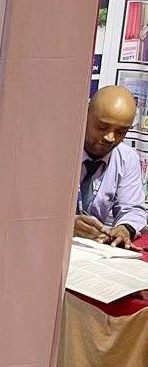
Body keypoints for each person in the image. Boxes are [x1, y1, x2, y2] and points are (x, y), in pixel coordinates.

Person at [75, 85, 148, 248]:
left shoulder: (127, 157)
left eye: (121, 132)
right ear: (86, 114)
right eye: (102, 127)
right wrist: (66, 225)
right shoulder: (55, 150)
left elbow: (133, 208)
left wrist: (125, 228)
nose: (110, 137)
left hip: (95, 250)